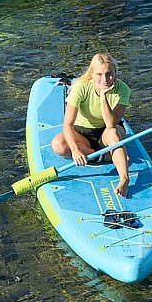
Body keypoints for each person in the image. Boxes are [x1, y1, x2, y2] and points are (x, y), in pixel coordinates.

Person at [52, 53, 133, 196]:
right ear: (92, 74)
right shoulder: (81, 87)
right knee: (59, 145)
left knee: (113, 133)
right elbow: (68, 124)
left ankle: (124, 178)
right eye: (99, 74)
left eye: (109, 74)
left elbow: (110, 124)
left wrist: (103, 96)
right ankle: (107, 157)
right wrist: (75, 149)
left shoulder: (123, 89)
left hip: (107, 133)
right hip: (82, 134)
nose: (105, 79)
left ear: (115, 73)